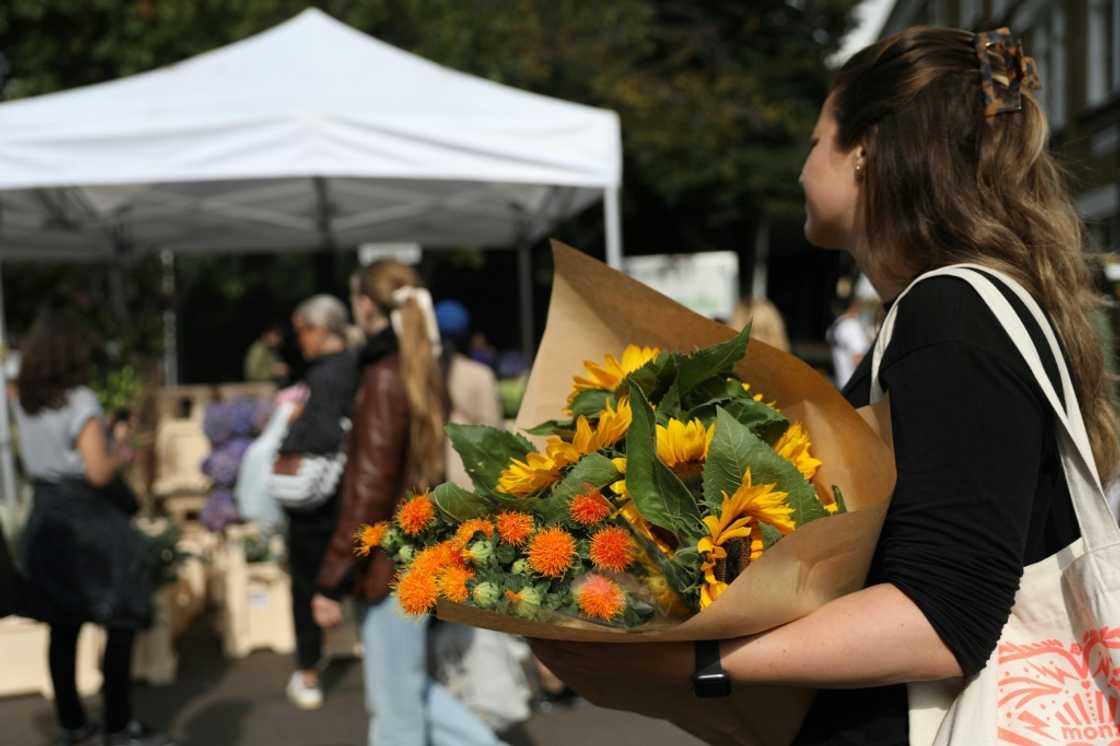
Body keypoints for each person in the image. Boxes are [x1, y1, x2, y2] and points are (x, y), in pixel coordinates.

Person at [530, 26, 1117, 745]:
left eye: (816, 142)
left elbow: (941, 616)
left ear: (865, 148)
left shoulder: (952, 314)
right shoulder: (949, 314)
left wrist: (699, 662)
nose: (803, 168)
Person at [313, 260, 506, 746]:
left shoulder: (383, 377)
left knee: (396, 710)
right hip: (416, 553)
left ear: (363, 305)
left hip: (387, 564)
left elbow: (368, 491)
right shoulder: (418, 369)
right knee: (407, 694)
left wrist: (332, 577)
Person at [14, 309, 173, 746]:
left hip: (46, 518)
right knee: (118, 618)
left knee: (64, 626)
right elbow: (99, 472)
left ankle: (72, 724)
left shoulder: (22, 399)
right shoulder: (80, 399)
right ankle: (118, 724)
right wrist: (120, 446)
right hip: (87, 522)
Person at [276, 295, 357, 710]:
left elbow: (323, 435)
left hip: (318, 496)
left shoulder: (326, 374)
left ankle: (308, 672)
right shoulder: (357, 364)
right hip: (352, 489)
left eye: (302, 330)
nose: (298, 339)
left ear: (322, 329)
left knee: (307, 582)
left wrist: (292, 430)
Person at [826, 278, 876, 388]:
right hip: (855, 391)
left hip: (843, 386)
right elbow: (858, 360)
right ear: (855, 304)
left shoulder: (838, 324)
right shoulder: (851, 327)